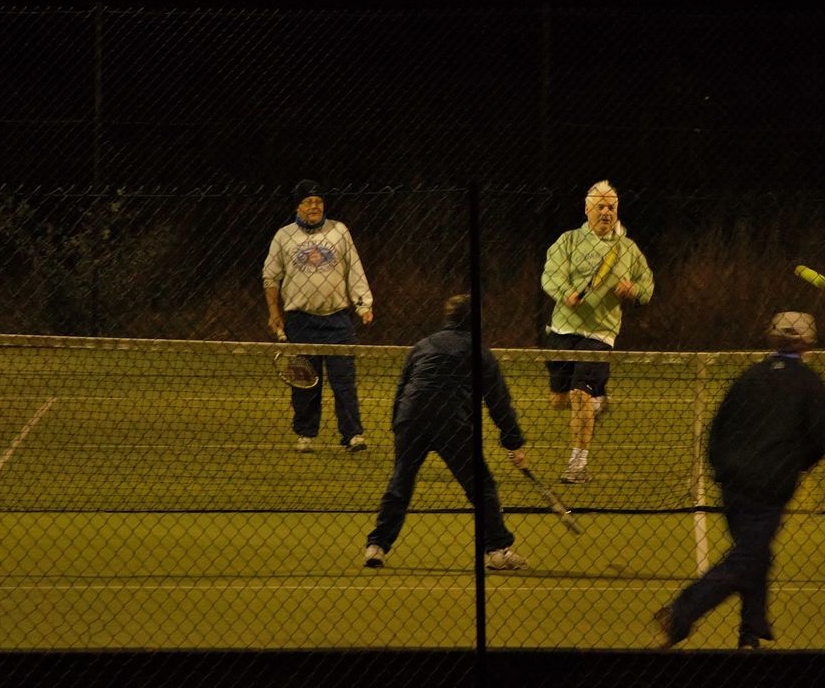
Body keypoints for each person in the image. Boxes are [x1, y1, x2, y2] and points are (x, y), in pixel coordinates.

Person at [656, 311, 825, 649]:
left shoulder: (748, 377)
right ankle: (682, 612)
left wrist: (723, 469)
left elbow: (718, 429)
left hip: (734, 484)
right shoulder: (811, 383)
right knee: (749, 558)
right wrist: (796, 465)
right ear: (808, 345)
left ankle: (751, 632)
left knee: (756, 554)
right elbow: (823, 437)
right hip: (771, 485)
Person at [363, 294, 531, 571]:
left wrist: (399, 425)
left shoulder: (423, 345)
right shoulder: (480, 351)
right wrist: (513, 442)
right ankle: (498, 551)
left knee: (400, 482)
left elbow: (403, 387)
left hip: (411, 420)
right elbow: (499, 401)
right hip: (452, 424)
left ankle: (376, 546)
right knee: (482, 487)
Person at [540, 180, 654, 484]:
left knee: (579, 394)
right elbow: (550, 275)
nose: (606, 211)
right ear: (587, 209)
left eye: (611, 207)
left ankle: (577, 465)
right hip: (562, 329)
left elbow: (648, 285)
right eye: (600, 206)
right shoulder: (568, 241)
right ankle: (599, 401)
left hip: (601, 333)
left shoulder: (628, 250)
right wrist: (565, 292)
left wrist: (635, 289)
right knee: (559, 399)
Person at [262, 179, 374, 453]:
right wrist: (274, 312)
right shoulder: (284, 236)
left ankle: (352, 436)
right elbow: (270, 276)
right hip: (301, 319)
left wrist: (363, 304)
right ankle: (306, 435)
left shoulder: (339, 231)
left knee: (343, 382)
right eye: (308, 202)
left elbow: (354, 269)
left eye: (318, 202)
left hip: (337, 319)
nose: (314, 206)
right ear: (298, 206)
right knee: (305, 382)